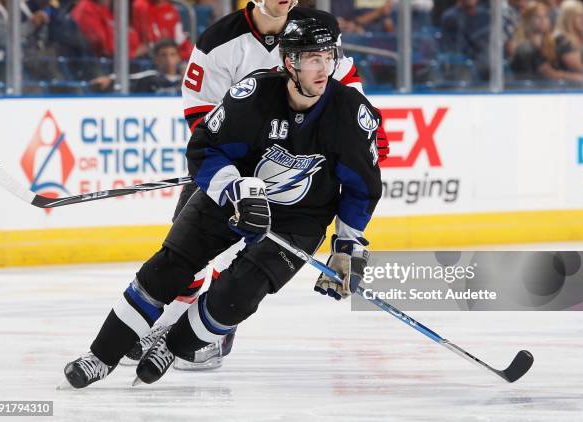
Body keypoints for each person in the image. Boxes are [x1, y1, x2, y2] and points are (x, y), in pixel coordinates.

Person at [62, 17, 382, 389]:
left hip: (300, 218)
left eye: (328, 56)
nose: (323, 68)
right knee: (167, 269)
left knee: (237, 298)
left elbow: (361, 188)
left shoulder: (350, 114)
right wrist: (234, 189)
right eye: (312, 58)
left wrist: (347, 245)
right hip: (233, 199)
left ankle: (170, 343)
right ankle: (100, 356)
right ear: (289, 62)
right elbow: (204, 148)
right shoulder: (254, 95)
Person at [509, 1, 582, 83]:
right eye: (537, 17)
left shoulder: (554, 42)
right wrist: (578, 78)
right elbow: (548, 73)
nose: (542, 20)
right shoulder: (524, 47)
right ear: (528, 20)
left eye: (546, 16)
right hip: (527, 91)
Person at [90, 38, 184, 94]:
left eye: (173, 54)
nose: (168, 59)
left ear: (178, 57)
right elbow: (130, 77)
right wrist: (109, 78)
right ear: (156, 59)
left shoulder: (187, 79)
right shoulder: (150, 76)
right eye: (164, 55)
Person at [552, 0, 583, 77]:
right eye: (579, 16)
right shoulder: (562, 40)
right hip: (570, 86)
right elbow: (580, 68)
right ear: (568, 18)